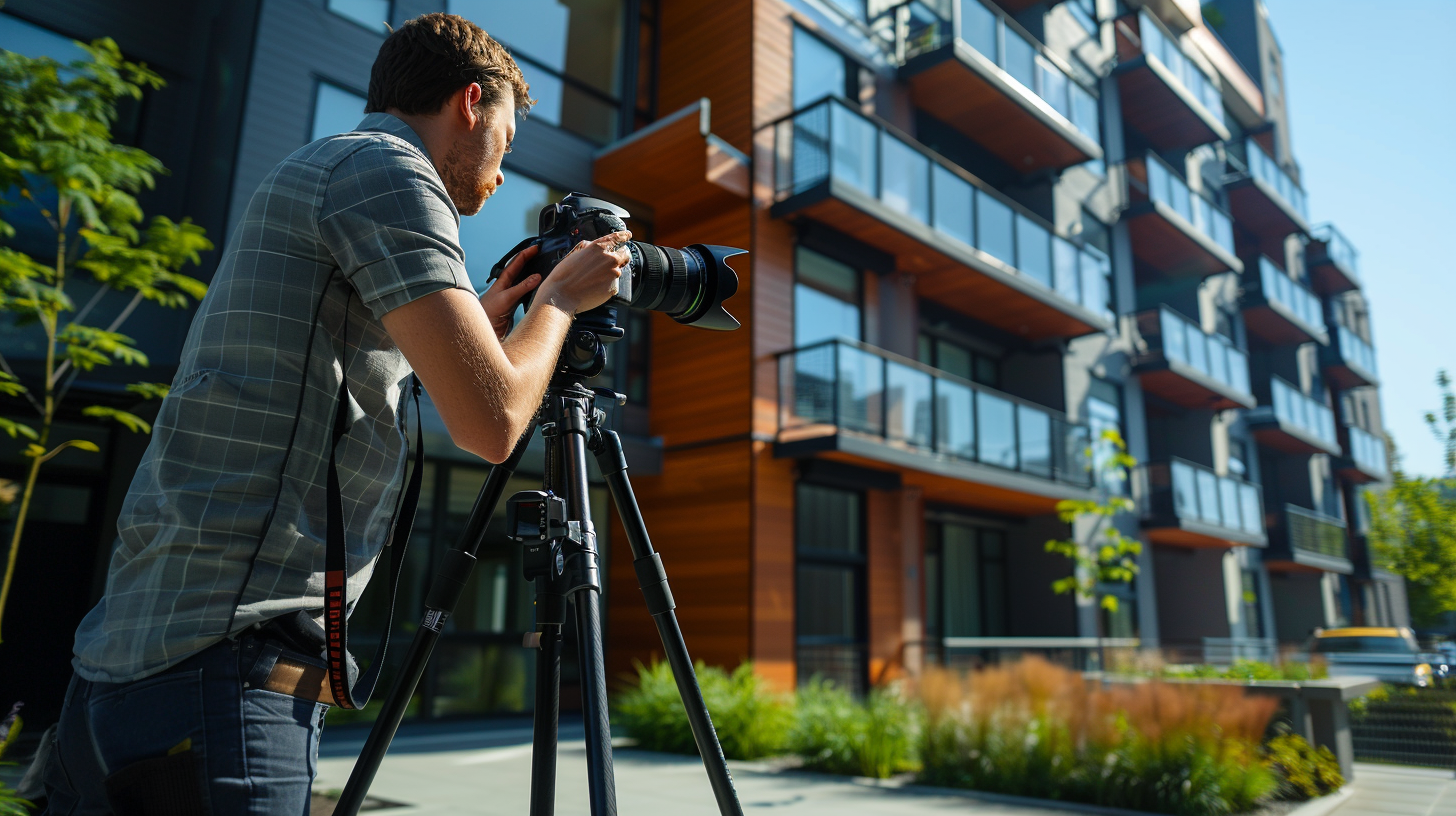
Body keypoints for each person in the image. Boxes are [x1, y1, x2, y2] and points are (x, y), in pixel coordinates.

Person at [40, 12, 627, 814]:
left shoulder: (328, 165)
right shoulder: (390, 172)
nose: (499, 174)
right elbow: (492, 426)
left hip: (135, 660)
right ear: (470, 102)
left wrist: (483, 326)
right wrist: (559, 303)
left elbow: (339, 390)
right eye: (507, 141)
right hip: (224, 672)